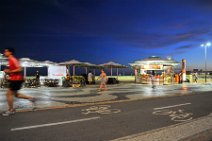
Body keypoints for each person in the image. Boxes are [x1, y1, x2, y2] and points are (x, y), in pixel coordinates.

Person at [2, 48, 35, 116]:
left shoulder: (12, 59)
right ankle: (31, 98)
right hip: (15, 79)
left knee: (9, 94)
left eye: (6, 51)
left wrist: (9, 71)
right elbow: (15, 70)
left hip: (16, 79)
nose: (4, 53)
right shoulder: (10, 60)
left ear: (10, 52)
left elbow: (20, 69)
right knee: (16, 95)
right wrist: (8, 72)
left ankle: (11, 110)